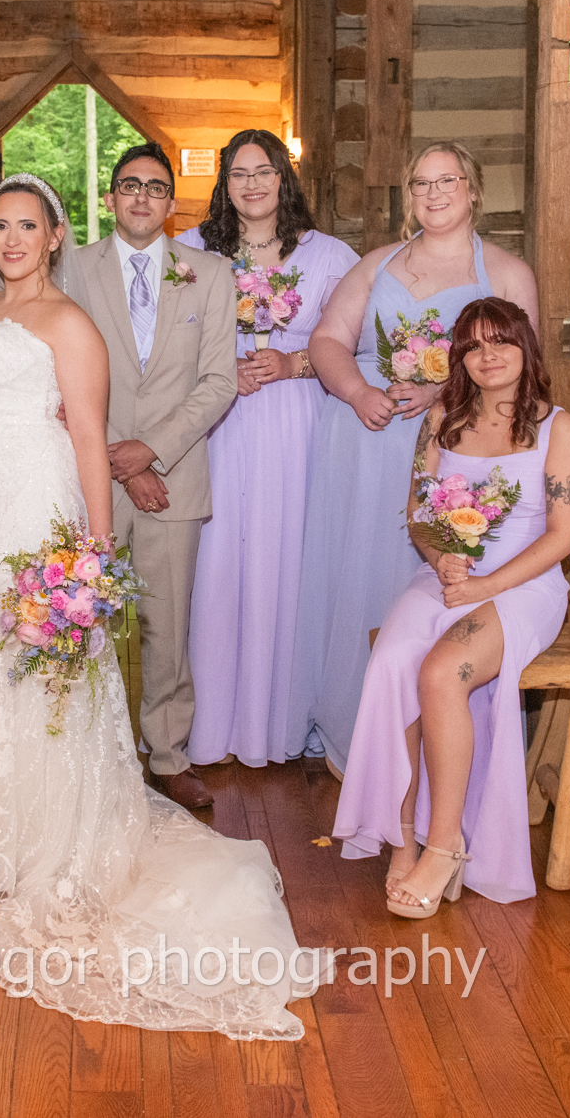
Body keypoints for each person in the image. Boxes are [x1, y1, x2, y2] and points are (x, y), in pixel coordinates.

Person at [0, 174, 316, 1040]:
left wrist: (90, 557)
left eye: (28, 225)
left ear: (56, 237)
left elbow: (89, 438)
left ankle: (43, 836)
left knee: (37, 674)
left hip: (33, 507)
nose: (12, 239)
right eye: (0, 225)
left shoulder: (70, 324)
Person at [291, 141, 538, 776]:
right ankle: (356, 731)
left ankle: (439, 746)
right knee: (359, 573)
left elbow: (523, 371)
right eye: (421, 183)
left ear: (472, 190)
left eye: (447, 180)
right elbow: (327, 339)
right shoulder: (377, 264)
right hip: (366, 441)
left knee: (428, 574)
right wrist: (357, 391)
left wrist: (441, 392)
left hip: (454, 446)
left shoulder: (507, 272)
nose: (434, 193)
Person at [330, 300, 570, 914]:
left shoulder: (558, 429)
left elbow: (563, 537)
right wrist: (442, 556)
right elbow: (419, 514)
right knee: (393, 661)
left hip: (525, 585)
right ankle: (402, 834)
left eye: (501, 341)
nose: (488, 355)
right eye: (473, 346)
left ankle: (445, 846)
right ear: (459, 359)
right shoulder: (441, 418)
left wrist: (486, 584)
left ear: (526, 347)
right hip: (448, 575)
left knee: (443, 673)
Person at [58, 143, 235, 809]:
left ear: (171, 204)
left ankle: (167, 754)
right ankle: (86, 754)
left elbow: (218, 381)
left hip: (175, 476)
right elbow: (58, 373)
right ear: (110, 198)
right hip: (88, 474)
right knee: (81, 617)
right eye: (129, 185)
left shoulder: (209, 273)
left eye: (155, 187)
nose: (141, 196)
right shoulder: (72, 269)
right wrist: (122, 461)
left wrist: (152, 450)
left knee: (167, 625)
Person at [178, 129, 359, 768]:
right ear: (223, 184)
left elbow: (354, 345)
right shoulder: (190, 250)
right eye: (238, 173)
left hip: (296, 422)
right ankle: (211, 723)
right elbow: (165, 341)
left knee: (290, 559)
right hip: (220, 423)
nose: (251, 184)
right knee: (218, 561)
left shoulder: (328, 255)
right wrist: (222, 366)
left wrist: (293, 363)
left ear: (284, 177)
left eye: (263, 171)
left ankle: (283, 718)